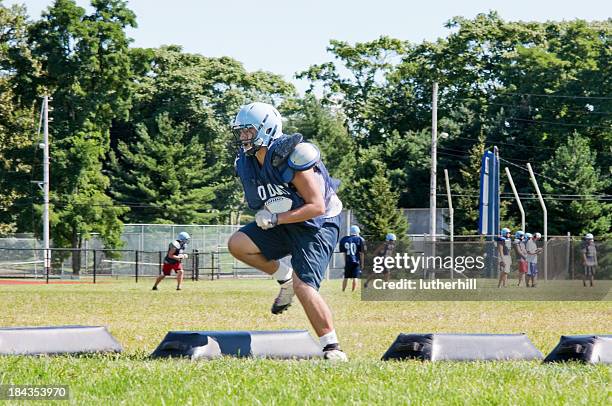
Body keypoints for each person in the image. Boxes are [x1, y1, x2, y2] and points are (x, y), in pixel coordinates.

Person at [226, 102, 347, 361]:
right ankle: (285, 277)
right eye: (241, 132)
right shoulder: (245, 162)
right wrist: (272, 217)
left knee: (305, 287)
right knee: (238, 243)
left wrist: (277, 218)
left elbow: (316, 206)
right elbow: (267, 199)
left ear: (266, 129)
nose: (243, 137)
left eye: (248, 131)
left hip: (318, 224)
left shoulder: (293, 155)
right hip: (284, 219)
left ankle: (332, 347)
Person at [339, 225, 366, 292]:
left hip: (348, 261)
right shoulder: (360, 239)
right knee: (355, 277)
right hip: (356, 261)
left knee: (346, 277)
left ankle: (343, 290)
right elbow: (362, 253)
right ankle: (353, 291)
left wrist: (345, 262)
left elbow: (344, 253)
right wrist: (362, 263)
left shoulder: (345, 239)